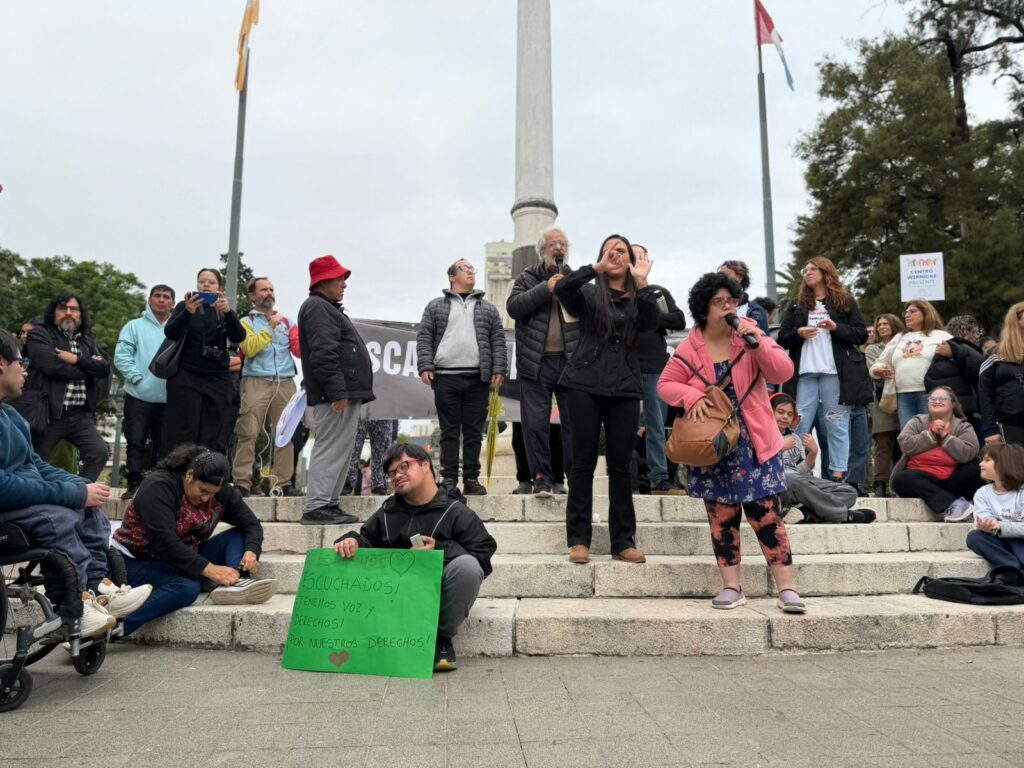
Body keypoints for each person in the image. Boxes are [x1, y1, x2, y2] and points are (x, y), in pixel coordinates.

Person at [659, 272, 805, 613]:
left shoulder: (749, 336)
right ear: (703, 307)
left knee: (767, 515)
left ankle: (788, 589)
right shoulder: (689, 345)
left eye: (732, 301)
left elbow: (782, 373)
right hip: (714, 444)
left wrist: (757, 337)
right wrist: (692, 395)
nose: (729, 307)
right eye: (720, 302)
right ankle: (731, 587)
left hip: (754, 440)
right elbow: (665, 384)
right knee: (721, 518)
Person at [0, 329, 151, 638]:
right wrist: (72, 493)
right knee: (61, 516)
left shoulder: (11, 416)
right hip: (8, 510)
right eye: (21, 360)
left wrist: (80, 486)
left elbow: (37, 466)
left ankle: (99, 590)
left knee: (90, 508)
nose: (25, 369)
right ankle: (75, 603)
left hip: (22, 504)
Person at [333, 443, 496, 672]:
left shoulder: (456, 512)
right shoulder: (388, 513)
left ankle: (441, 638)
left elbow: (483, 555)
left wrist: (440, 550)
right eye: (392, 473)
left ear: (425, 464)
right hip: (396, 599)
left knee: (468, 567)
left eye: (404, 466)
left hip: (436, 598)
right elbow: (367, 539)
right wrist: (352, 541)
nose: (398, 475)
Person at [554, 234, 659, 566]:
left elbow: (653, 324)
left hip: (625, 385)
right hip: (584, 381)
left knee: (621, 466)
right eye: (610, 250)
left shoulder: (640, 294)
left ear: (631, 260)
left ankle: (623, 541)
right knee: (582, 464)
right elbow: (563, 290)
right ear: (601, 256)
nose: (616, 255)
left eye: (622, 251)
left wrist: (641, 285)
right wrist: (594, 268)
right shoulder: (587, 291)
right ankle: (579, 540)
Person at [112, 444, 276, 636]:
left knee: (239, 535)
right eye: (203, 490)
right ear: (189, 475)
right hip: (135, 561)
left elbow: (251, 525)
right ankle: (120, 626)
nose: (207, 499)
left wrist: (252, 551)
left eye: (213, 494)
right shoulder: (159, 486)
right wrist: (211, 570)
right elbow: (165, 543)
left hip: (184, 557)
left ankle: (235, 584)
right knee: (187, 587)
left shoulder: (220, 491)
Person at [417, 259, 507, 496]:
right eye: (465, 269)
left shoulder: (488, 309)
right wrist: (425, 365)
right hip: (446, 377)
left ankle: (471, 478)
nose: (471, 272)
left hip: (478, 378)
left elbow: (498, 340)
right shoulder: (436, 306)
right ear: (452, 277)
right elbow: (425, 336)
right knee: (449, 430)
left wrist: (499, 369)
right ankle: (448, 479)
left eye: (472, 269)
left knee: (473, 431)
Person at [777, 257, 871, 482]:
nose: (807, 273)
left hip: (835, 374)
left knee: (836, 423)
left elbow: (861, 333)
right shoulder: (797, 304)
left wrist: (836, 327)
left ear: (825, 272)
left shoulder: (844, 301)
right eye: (805, 270)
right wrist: (798, 333)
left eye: (813, 269)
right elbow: (782, 338)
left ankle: (838, 475)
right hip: (805, 374)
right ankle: (794, 471)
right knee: (798, 421)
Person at [297, 255, 374, 525]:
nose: (344, 284)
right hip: (335, 395)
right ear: (323, 281)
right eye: (339, 278)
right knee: (331, 447)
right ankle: (317, 505)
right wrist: (337, 391)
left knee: (340, 448)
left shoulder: (325, 307)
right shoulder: (318, 307)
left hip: (339, 392)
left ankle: (327, 504)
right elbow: (323, 353)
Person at [506, 226, 580, 495]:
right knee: (535, 424)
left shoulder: (576, 277)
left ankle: (575, 479)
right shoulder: (528, 277)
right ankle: (541, 478)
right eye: (553, 245)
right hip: (536, 364)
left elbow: (589, 310)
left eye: (563, 244)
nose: (559, 248)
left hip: (571, 364)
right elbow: (514, 307)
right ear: (542, 252)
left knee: (574, 424)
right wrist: (545, 289)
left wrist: (566, 288)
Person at [20, 294, 111, 481]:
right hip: (49, 413)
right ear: (54, 313)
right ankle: (33, 506)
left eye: (74, 309)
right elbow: (51, 366)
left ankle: (78, 498)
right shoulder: (40, 334)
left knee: (99, 453)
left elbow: (104, 369)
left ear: (80, 314)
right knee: (34, 464)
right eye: (63, 309)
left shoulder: (86, 341)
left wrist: (76, 359)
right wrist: (88, 368)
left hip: (78, 415)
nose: (68, 313)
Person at [163, 268, 247, 454]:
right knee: (184, 430)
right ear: (197, 285)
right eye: (202, 281)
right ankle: (179, 474)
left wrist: (228, 313)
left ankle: (205, 473)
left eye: (211, 282)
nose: (206, 285)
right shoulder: (184, 306)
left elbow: (239, 336)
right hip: (187, 375)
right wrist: (187, 312)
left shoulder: (223, 310)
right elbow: (171, 332)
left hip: (217, 377)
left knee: (212, 431)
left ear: (220, 288)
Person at [231, 277, 301, 497]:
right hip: (255, 380)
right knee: (248, 431)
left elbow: (299, 350)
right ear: (252, 296)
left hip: (285, 381)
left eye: (271, 289)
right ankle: (242, 482)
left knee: (286, 433)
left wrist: (305, 332)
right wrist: (270, 327)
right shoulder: (245, 322)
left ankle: (283, 482)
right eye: (263, 289)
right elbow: (249, 348)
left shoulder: (288, 322)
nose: (269, 293)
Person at [772, 393, 876, 524]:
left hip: (799, 486)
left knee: (849, 492)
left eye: (789, 414)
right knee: (788, 477)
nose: (785, 417)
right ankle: (843, 515)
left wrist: (814, 453)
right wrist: (779, 448)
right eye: (780, 412)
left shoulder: (795, 440)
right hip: (778, 487)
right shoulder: (761, 436)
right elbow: (758, 466)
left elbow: (800, 472)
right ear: (770, 412)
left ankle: (805, 513)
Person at [635, 244, 687, 495]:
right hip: (622, 368)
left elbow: (678, 320)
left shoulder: (657, 293)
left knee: (656, 427)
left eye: (641, 256)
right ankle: (625, 478)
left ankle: (659, 479)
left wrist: (649, 315)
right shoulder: (614, 292)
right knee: (620, 426)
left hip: (655, 367)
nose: (636, 260)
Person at [114, 284, 176, 498]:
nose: (161, 300)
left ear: (173, 303)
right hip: (138, 395)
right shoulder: (134, 326)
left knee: (164, 444)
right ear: (149, 300)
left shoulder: (178, 329)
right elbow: (121, 356)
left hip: (169, 397)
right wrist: (136, 378)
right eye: (157, 296)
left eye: (166, 297)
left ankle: (160, 486)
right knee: (135, 440)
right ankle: (133, 484)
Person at [890, 386, 981, 521]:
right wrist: (931, 435)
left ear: (953, 404)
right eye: (933, 398)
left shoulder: (963, 426)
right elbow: (905, 444)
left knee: (976, 467)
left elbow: (969, 452)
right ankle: (953, 505)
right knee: (901, 480)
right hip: (923, 479)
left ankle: (963, 505)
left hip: (953, 479)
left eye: (942, 398)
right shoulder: (917, 421)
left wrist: (945, 437)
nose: (937, 401)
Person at [870, 299, 952, 429]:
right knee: (908, 440)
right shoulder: (899, 337)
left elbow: (955, 365)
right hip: (903, 396)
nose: (907, 315)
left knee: (931, 437)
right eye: (905, 313)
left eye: (912, 311)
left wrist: (950, 353)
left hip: (932, 394)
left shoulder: (942, 336)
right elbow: (876, 366)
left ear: (926, 313)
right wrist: (878, 371)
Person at [865, 313, 906, 497]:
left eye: (885, 323)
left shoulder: (906, 344)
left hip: (906, 395)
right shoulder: (873, 349)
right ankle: (880, 483)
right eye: (878, 324)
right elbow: (877, 372)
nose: (881, 327)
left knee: (904, 441)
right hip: (883, 399)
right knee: (883, 441)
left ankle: (899, 483)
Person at [966, 443, 1024, 569]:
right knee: (975, 537)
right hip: (1000, 539)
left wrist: (1000, 525)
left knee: (1017, 543)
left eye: (987, 460)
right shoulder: (982, 493)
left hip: (1021, 541)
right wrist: (987, 526)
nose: (981, 464)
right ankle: (1012, 567)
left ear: (1005, 463)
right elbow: (985, 520)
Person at [925, 314, 984, 435]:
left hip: (955, 410)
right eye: (973, 332)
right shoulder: (953, 350)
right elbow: (979, 371)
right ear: (961, 331)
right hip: (966, 411)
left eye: (978, 332)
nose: (977, 336)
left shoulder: (949, 351)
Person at [979, 302, 1024, 447]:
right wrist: (991, 429)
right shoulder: (995, 354)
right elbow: (984, 393)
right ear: (1016, 320)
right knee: (1015, 467)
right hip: (1009, 424)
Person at [343, 412, 395, 495]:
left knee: (382, 447)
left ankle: (379, 482)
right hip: (359, 407)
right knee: (353, 447)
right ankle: (347, 481)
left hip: (383, 409)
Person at [718, 261, 769, 334]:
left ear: (741, 281)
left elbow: (767, 342)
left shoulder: (757, 311)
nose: (720, 281)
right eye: (720, 276)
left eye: (733, 281)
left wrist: (757, 335)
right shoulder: (708, 307)